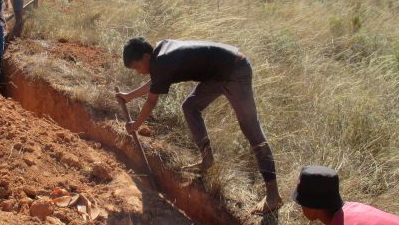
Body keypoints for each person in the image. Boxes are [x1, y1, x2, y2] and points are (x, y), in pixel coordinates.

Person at [117, 37, 282, 213]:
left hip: (235, 70)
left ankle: (273, 196)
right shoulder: (161, 53)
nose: (138, 72)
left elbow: (151, 101)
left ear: (146, 57)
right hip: (219, 73)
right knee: (190, 106)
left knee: (251, 130)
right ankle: (207, 160)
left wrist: (135, 125)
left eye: (137, 67)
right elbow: (156, 82)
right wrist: (129, 96)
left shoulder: (161, 61)